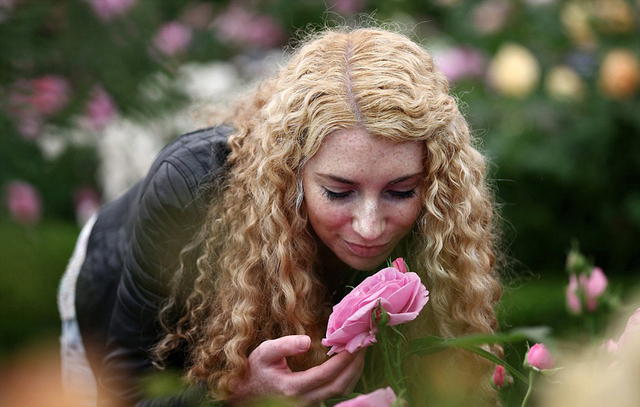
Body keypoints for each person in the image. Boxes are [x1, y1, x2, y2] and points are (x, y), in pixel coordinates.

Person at [57, 26, 502, 407]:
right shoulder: (188, 188)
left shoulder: (439, 209)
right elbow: (125, 392)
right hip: (108, 294)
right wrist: (234, 392)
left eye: (401, 191)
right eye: (338, 192)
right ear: (290, 174)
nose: (370, 225)